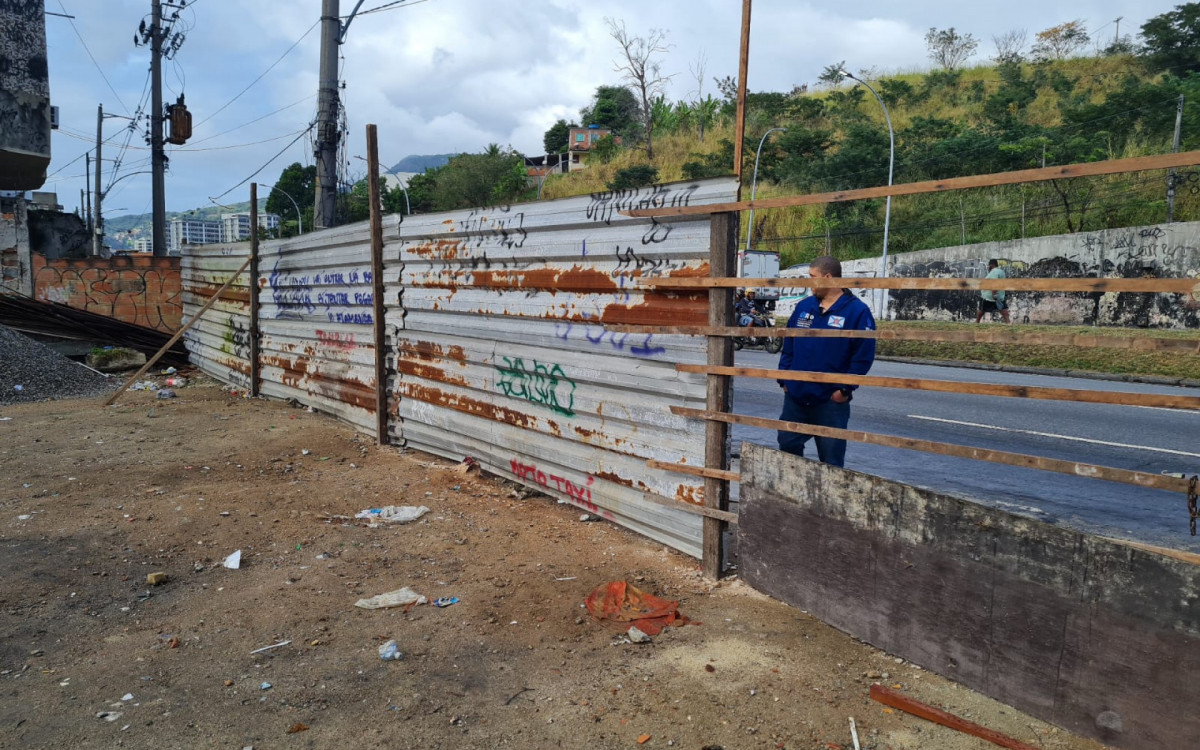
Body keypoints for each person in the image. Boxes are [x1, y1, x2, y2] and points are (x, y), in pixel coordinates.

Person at [776, 255, 876, 467]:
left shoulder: (857, 312)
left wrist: (844, 390)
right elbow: (789, 343)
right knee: (787, 447)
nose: (809, 282)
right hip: (796, 397)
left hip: (830, 403)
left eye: (813, 277)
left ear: (829, 278)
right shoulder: (804, 307)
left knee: (831, 461)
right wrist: (785, 379)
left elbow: (862, 356)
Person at [975, 259, 1011, 324]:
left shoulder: (994, 272)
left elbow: (994, 283)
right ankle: (1008, 322)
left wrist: (994, 294)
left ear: (991, 265)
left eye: (989, 265)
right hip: (998, 295)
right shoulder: (1001, 271)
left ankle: (977, 322)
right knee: (1003, 310)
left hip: (990, 296)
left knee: (981, 310)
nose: (988, 267)